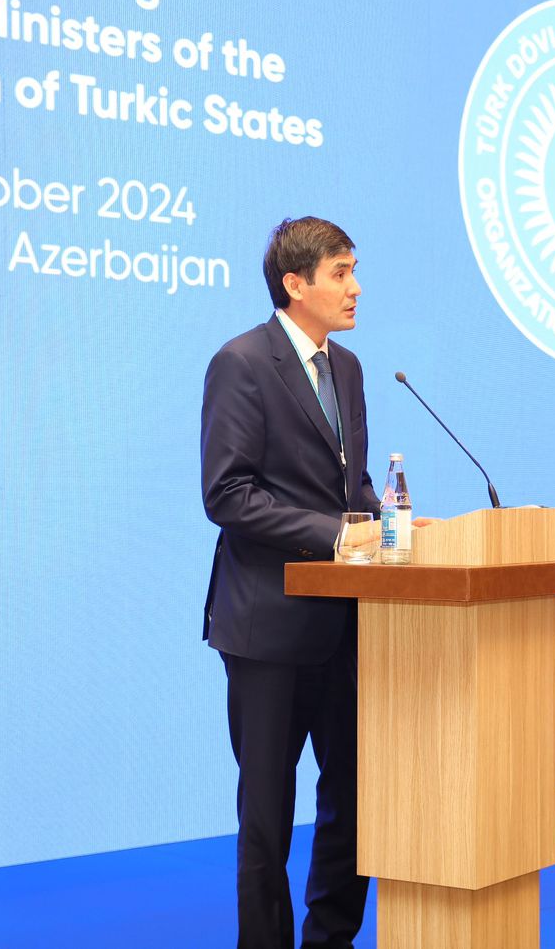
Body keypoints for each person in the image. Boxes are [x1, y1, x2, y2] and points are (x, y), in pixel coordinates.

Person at [200, 216, 376, 948]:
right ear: (294, 283)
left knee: (357, 801)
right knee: (268, 817)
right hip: (269, 628)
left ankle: (329, 938)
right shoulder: (242, 363)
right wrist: (335, 534)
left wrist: (390, 523)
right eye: (339, 272)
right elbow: (228, 494)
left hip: (347, 626)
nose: (355, 287)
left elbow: (352, 484)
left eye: (354, 270)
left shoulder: (350, 368)